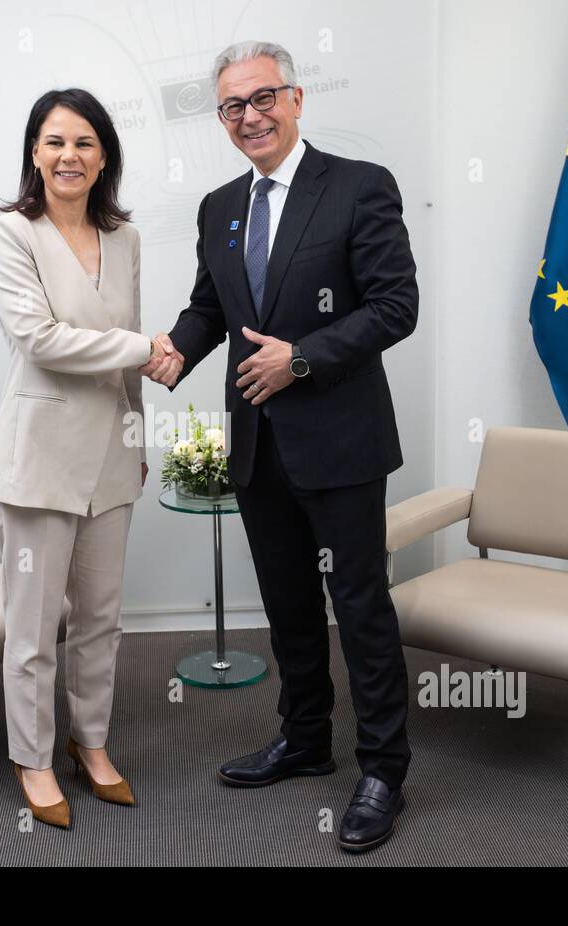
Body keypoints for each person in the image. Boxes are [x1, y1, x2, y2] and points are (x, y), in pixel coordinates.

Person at [143, 41, 419, 853]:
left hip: (340, 442)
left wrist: (301, 357)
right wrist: (175, 351)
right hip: (257, 443)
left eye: (263, 98)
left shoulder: (361, 187)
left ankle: (382, 769)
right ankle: (304, 739)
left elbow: (397, 305)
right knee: (289, 607)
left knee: (359, 608)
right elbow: (209, 308)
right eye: (232, 106)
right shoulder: (219, 204)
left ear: (296, 98)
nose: (250, 116)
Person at [0, 88, 174, 829]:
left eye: (85, 143)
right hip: (38, 459)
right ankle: (31, 757)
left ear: (104, 157)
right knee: (33, 629)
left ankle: (89, 741)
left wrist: (137, 438)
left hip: (109, 457)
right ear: (35, 152)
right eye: (55, 142)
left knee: (100, 618)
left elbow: (127, 365)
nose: (70, 156)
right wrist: (144, 346)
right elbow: (39, 339)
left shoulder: (124, 237)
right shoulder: (12, 232)